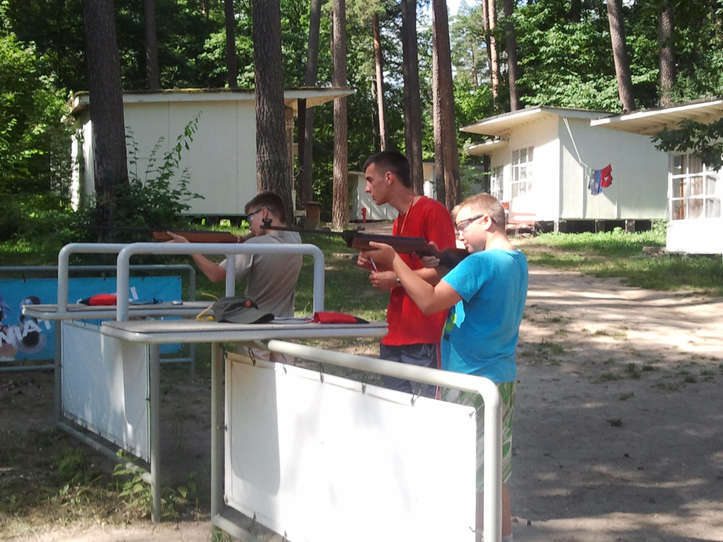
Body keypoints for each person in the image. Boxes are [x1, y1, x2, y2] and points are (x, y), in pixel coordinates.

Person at [361, 193, 528, 542]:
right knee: (495, 473)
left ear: (487, 221)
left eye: (464, 225)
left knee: (470, 476)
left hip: (469, 382)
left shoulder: (479, 264)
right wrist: (440, 260)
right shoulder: (516, 260)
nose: (459, 233)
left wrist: (396, 262)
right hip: (500, 379)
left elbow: (427, 301)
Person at [356, 150, 456, 397]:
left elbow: (445, 271)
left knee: (425, 410)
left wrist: (396, 279)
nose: (367, 188)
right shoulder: (399, 219)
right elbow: (407, 267)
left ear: (389, 177)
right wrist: (374, 263)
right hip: (395, 332)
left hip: (423, 334)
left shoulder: (432, 211)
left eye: (370, 180)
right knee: (396, 406)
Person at [166, 191, 302, 318]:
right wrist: (246, 238)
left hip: (257, 321)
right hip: (285, 320)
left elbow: (215, 274)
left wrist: (188, 247)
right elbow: (272, 235)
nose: (250, 225)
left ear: (264, 213)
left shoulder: (254, 246)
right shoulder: (295, 238)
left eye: (251, 218)